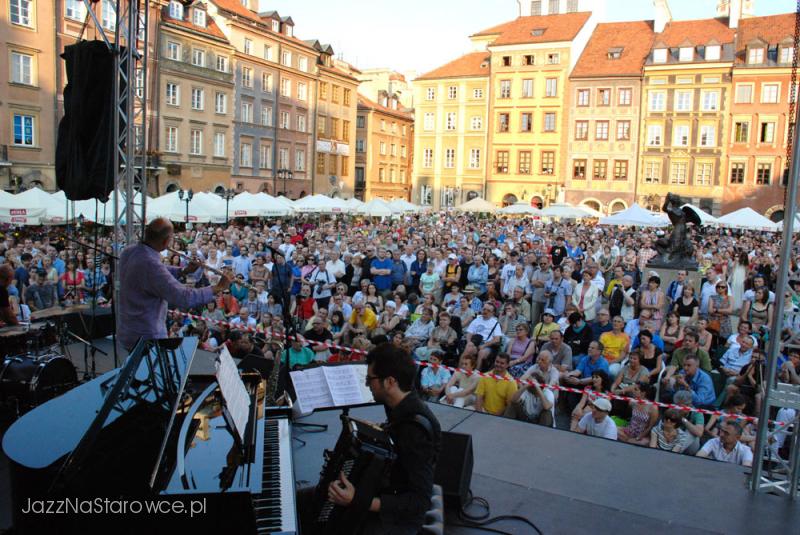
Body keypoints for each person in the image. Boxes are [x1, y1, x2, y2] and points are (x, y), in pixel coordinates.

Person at [318, 343, 441, 535]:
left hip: (397, 519)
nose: (367, 384)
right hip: (386, 490)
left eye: (370, 379)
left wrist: (356, 500)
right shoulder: (397, 406)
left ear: (390, 382)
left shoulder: (414, 430)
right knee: (313, 501)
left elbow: (418, 502)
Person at [118, 218, 231, 350]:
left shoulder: (129, 251)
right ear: (166, 241)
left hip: (128, 329)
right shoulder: (151, 265)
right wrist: (218, 287)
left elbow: (157, 273)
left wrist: (184, 271)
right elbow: (184, 297)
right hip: (146, 337)